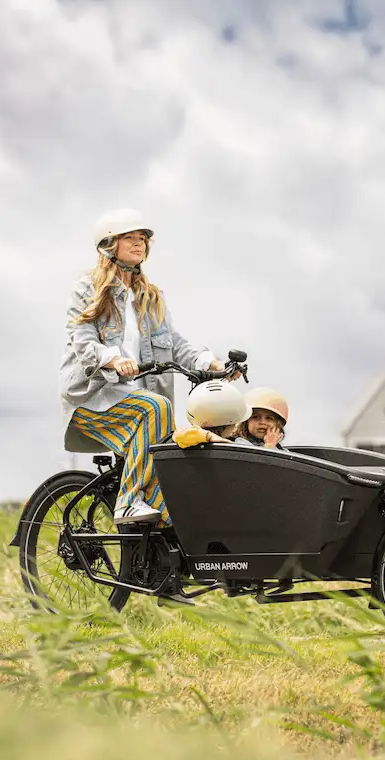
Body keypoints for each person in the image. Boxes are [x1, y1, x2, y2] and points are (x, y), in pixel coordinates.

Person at [59, 208, 239, 527]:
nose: (139, 243)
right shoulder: (87, 288)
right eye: (129, 237)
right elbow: (82, 338)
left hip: (139, 406)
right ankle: (128, 503)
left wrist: (212, 365)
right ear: (108, 245)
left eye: (142, 238)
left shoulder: (151, 297)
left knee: (175, 471)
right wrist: (112, 359)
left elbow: (175, 343)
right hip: (92, 400)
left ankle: (157, 563)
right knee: (158, 406)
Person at [172, 379, 253, 447]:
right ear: (231, 423)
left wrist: (207, 436)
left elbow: (178, 435)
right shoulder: (240, 445)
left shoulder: (185, 442)